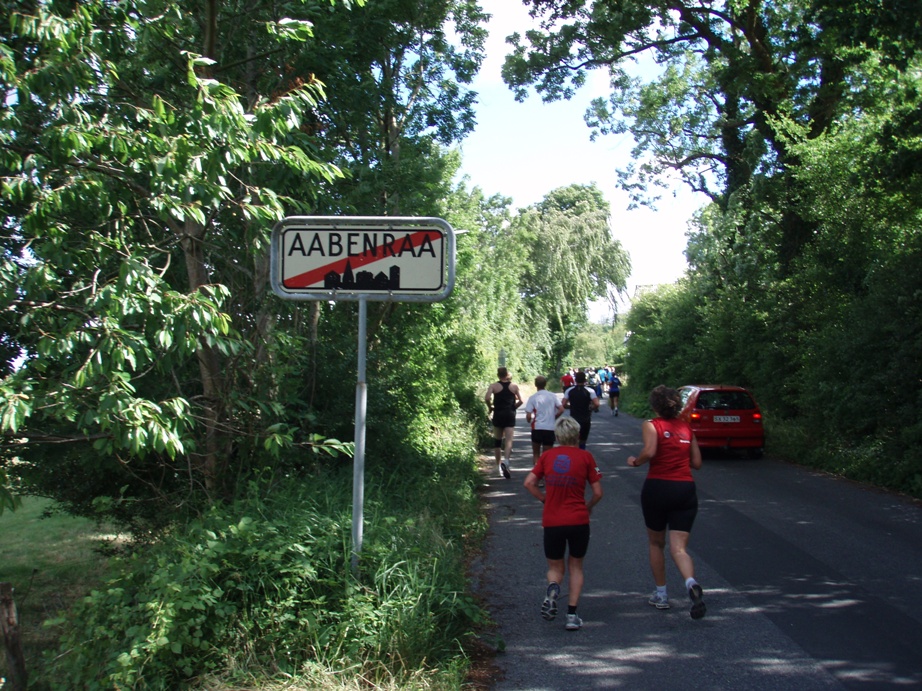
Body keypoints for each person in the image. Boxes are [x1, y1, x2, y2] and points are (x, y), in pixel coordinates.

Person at [627, 385, 707, 620]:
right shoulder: (686, 428)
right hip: (685, 489)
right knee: (679, 548)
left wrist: (635, 461)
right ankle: (690, 583)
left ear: (655, 405)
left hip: (658, 488)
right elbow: (698, 463)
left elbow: (650, 451)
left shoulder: (652, 425)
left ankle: (661, 594)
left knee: (656, 543)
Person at [524, 416, 603, 631]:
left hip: (553, 520)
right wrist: (588, 507)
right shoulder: (586, 457)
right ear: (577, 435)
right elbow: (598, 492)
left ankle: (552, 587)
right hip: (578, 520)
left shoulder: (547, 457)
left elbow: (529, 482)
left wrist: (543, 499)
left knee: (555, 567)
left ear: (557, 437)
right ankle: (571, 615)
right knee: (576, 565)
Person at [484, 367, 524, 479]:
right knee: (508, 441)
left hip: (498, 414)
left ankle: (498, 467)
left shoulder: (493, 386)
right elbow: (521, 400)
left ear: (498, 375)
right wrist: (513, 407)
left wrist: (490, 407)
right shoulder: (514, 386)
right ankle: (506, 462)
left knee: (497, 441)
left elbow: (487, 398)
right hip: (510, 414)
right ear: (507, 374)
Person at [524, 375, 564, 465]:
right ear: (545, 384)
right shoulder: (553, 396)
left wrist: (528, 420)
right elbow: (561, 409)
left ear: (535, 385)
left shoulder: (533, 397)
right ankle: (546, 474)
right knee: (547, 454)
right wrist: (555, 416)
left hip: (537, 427)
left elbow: (529, 415)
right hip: (549, 428)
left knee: (536, 453)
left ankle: (537, 473)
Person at [563, 371, 600, 449]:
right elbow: (596, 404)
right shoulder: (590, 391)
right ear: (585, 380)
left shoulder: (569, 390)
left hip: (573, 418)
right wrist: (591, 408)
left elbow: (563, 404)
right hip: (585, 418)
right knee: (583, 440)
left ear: (575, 380)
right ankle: (582, 453)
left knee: (574, 439)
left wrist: (570, 406)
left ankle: (574, 455)